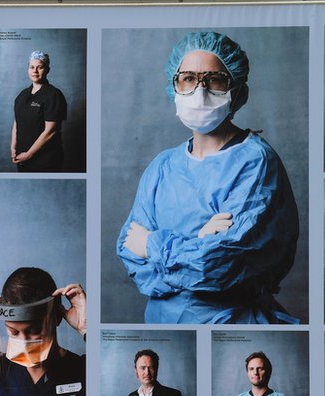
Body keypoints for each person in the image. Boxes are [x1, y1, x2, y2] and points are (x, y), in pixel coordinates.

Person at [117, 31, 299, 324]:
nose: (199, 91)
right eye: (187, 78)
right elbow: (129, 252)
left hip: (229, 322)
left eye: (214, 79)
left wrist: (154, 245)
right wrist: (197, 243)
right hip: (164, 324)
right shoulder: (163, 166)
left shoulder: (255, 161)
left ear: (235, 89)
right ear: (174, 86)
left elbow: (220, 266)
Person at [10, 50, 67, 172]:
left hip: (45, 162)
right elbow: (17, 122)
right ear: (28, 69)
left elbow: (50, 131)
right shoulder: (22, 95)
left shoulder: (53, 95)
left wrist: (29, 154)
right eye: (31, 67)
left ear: (47, 69)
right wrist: (13, 147)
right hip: (22, 160)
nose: (35, 71)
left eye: (39, 67)